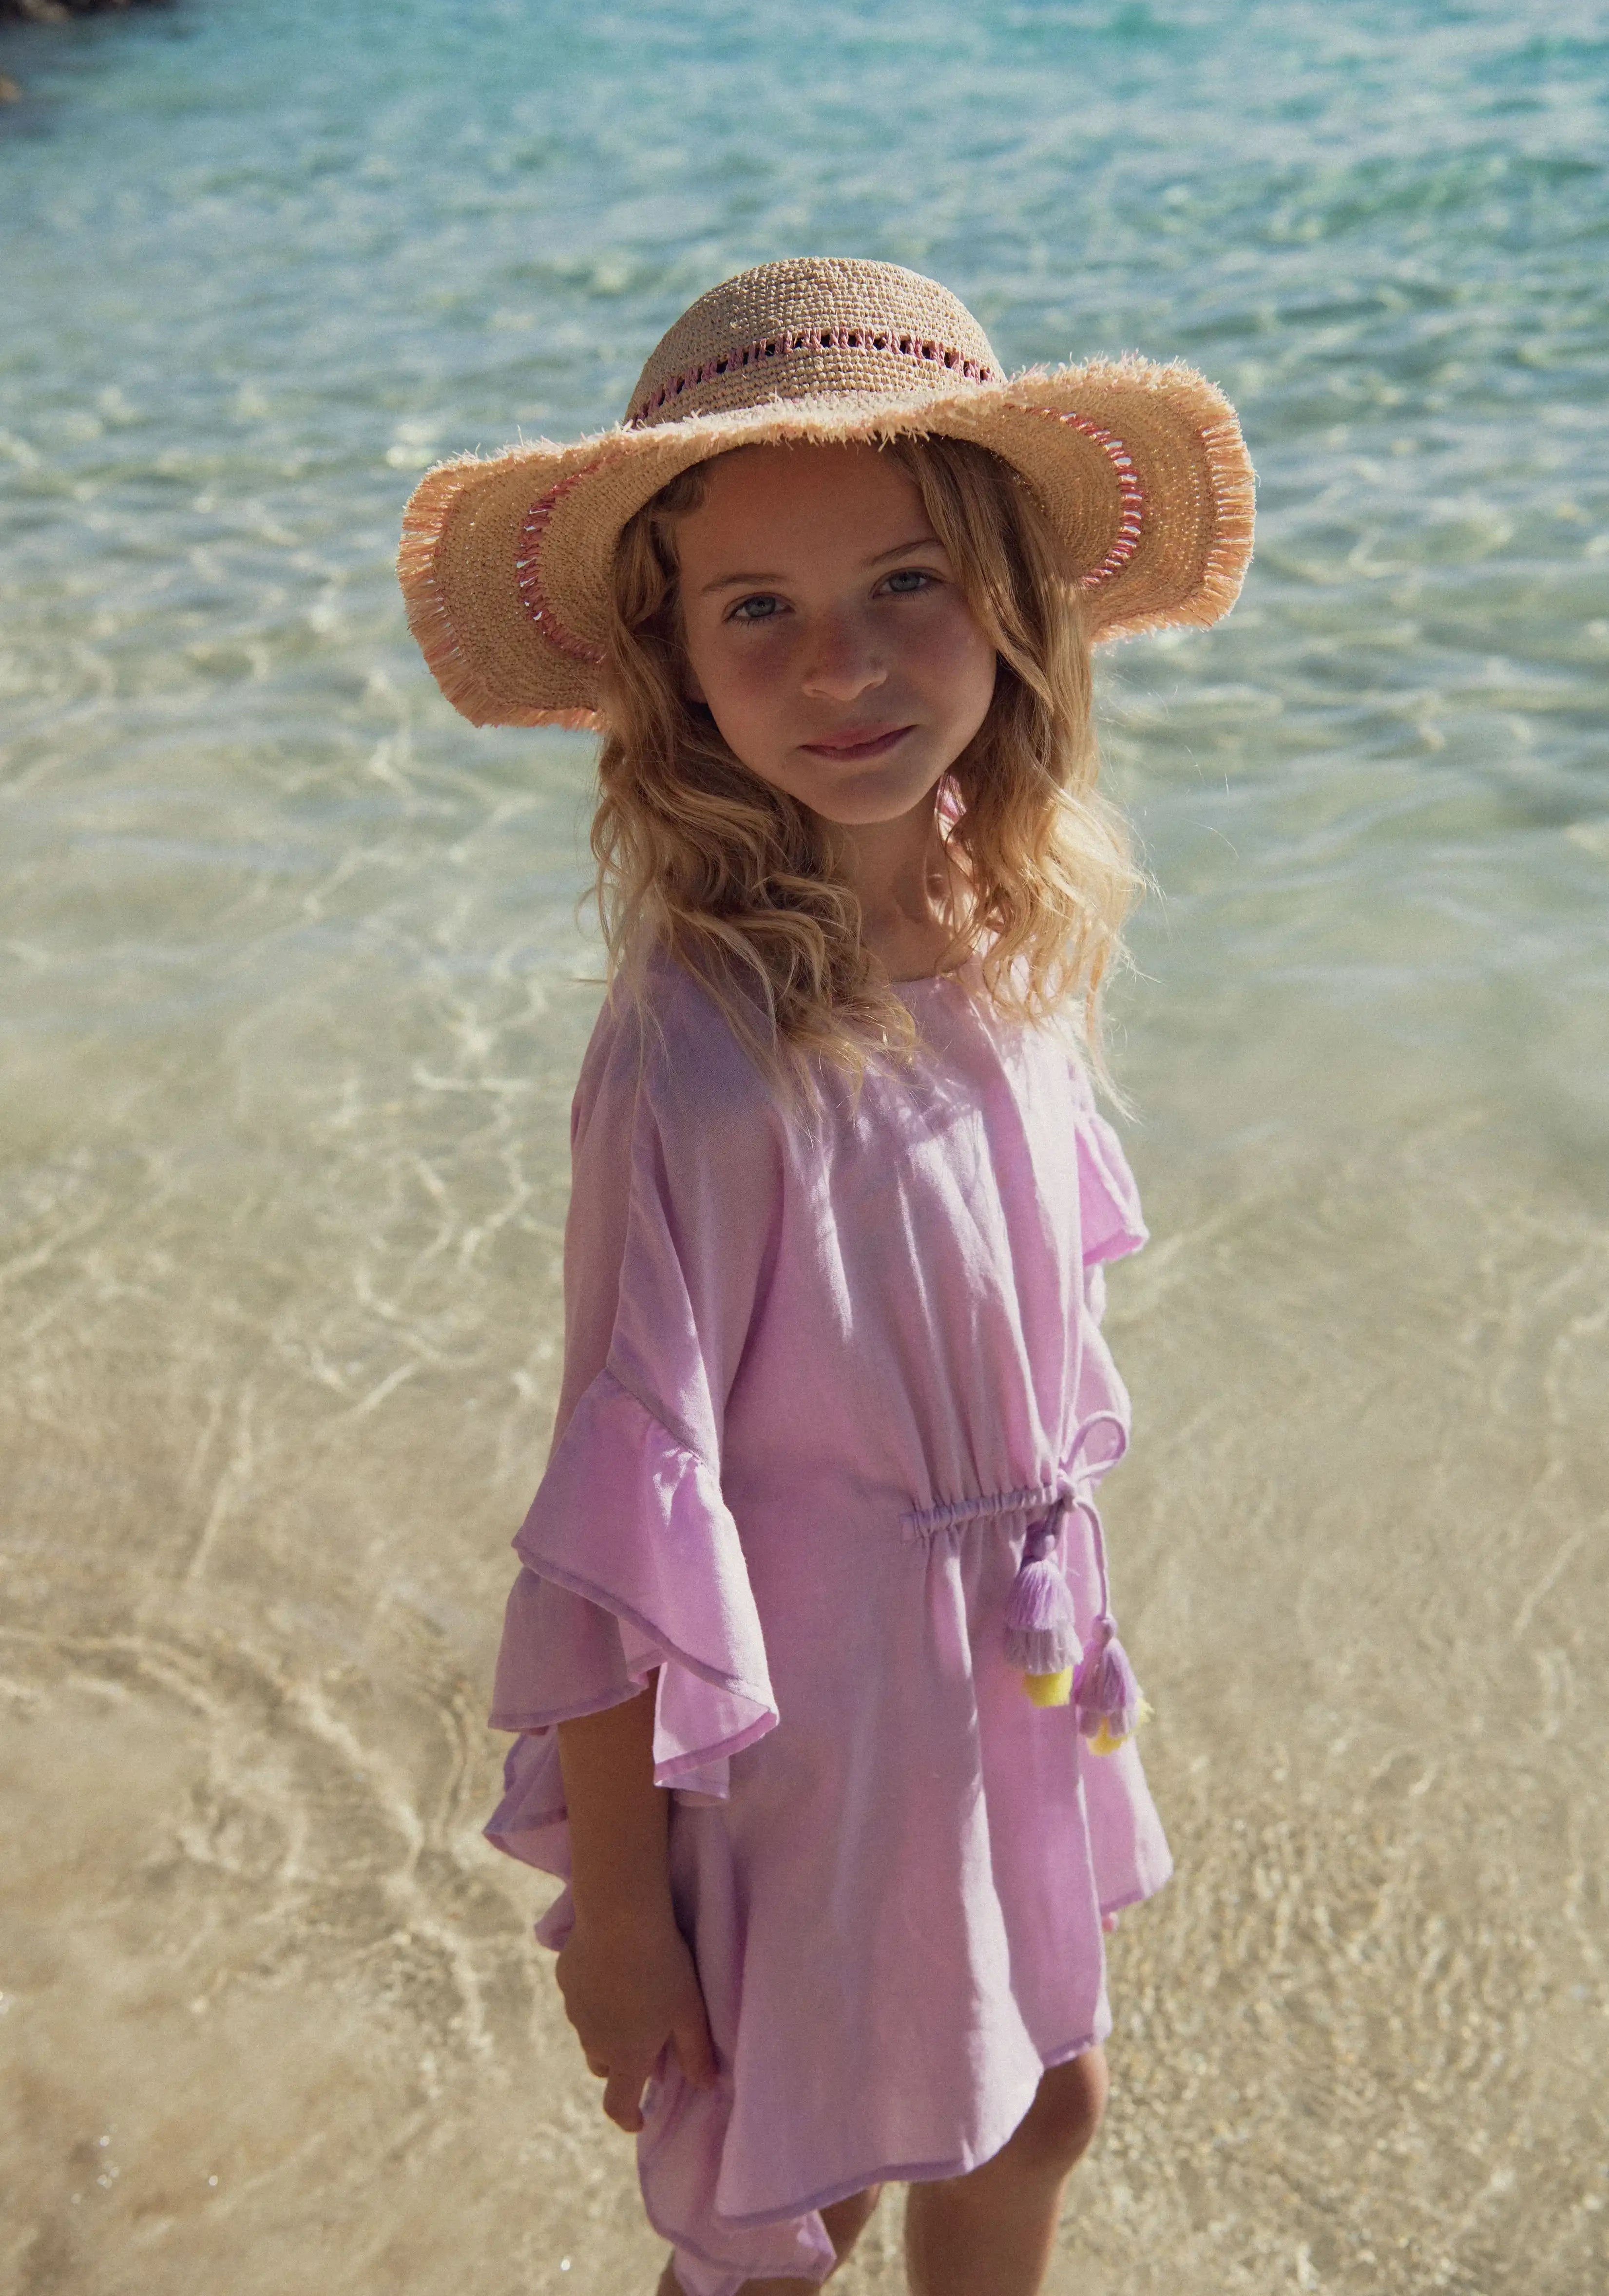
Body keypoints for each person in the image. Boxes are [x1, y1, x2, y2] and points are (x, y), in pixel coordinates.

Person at [398, 259, 1253, 2296]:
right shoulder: (693, 1049)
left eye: (905, 588)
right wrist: (621, 1906)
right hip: (817, 1723)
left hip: (1007, 1657)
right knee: (803, 2190)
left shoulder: (996, 921)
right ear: (675, 665)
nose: (843, 668)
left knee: (1044, 2107)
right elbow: (624, 1490)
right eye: (758, 611)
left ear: (1011, 610)